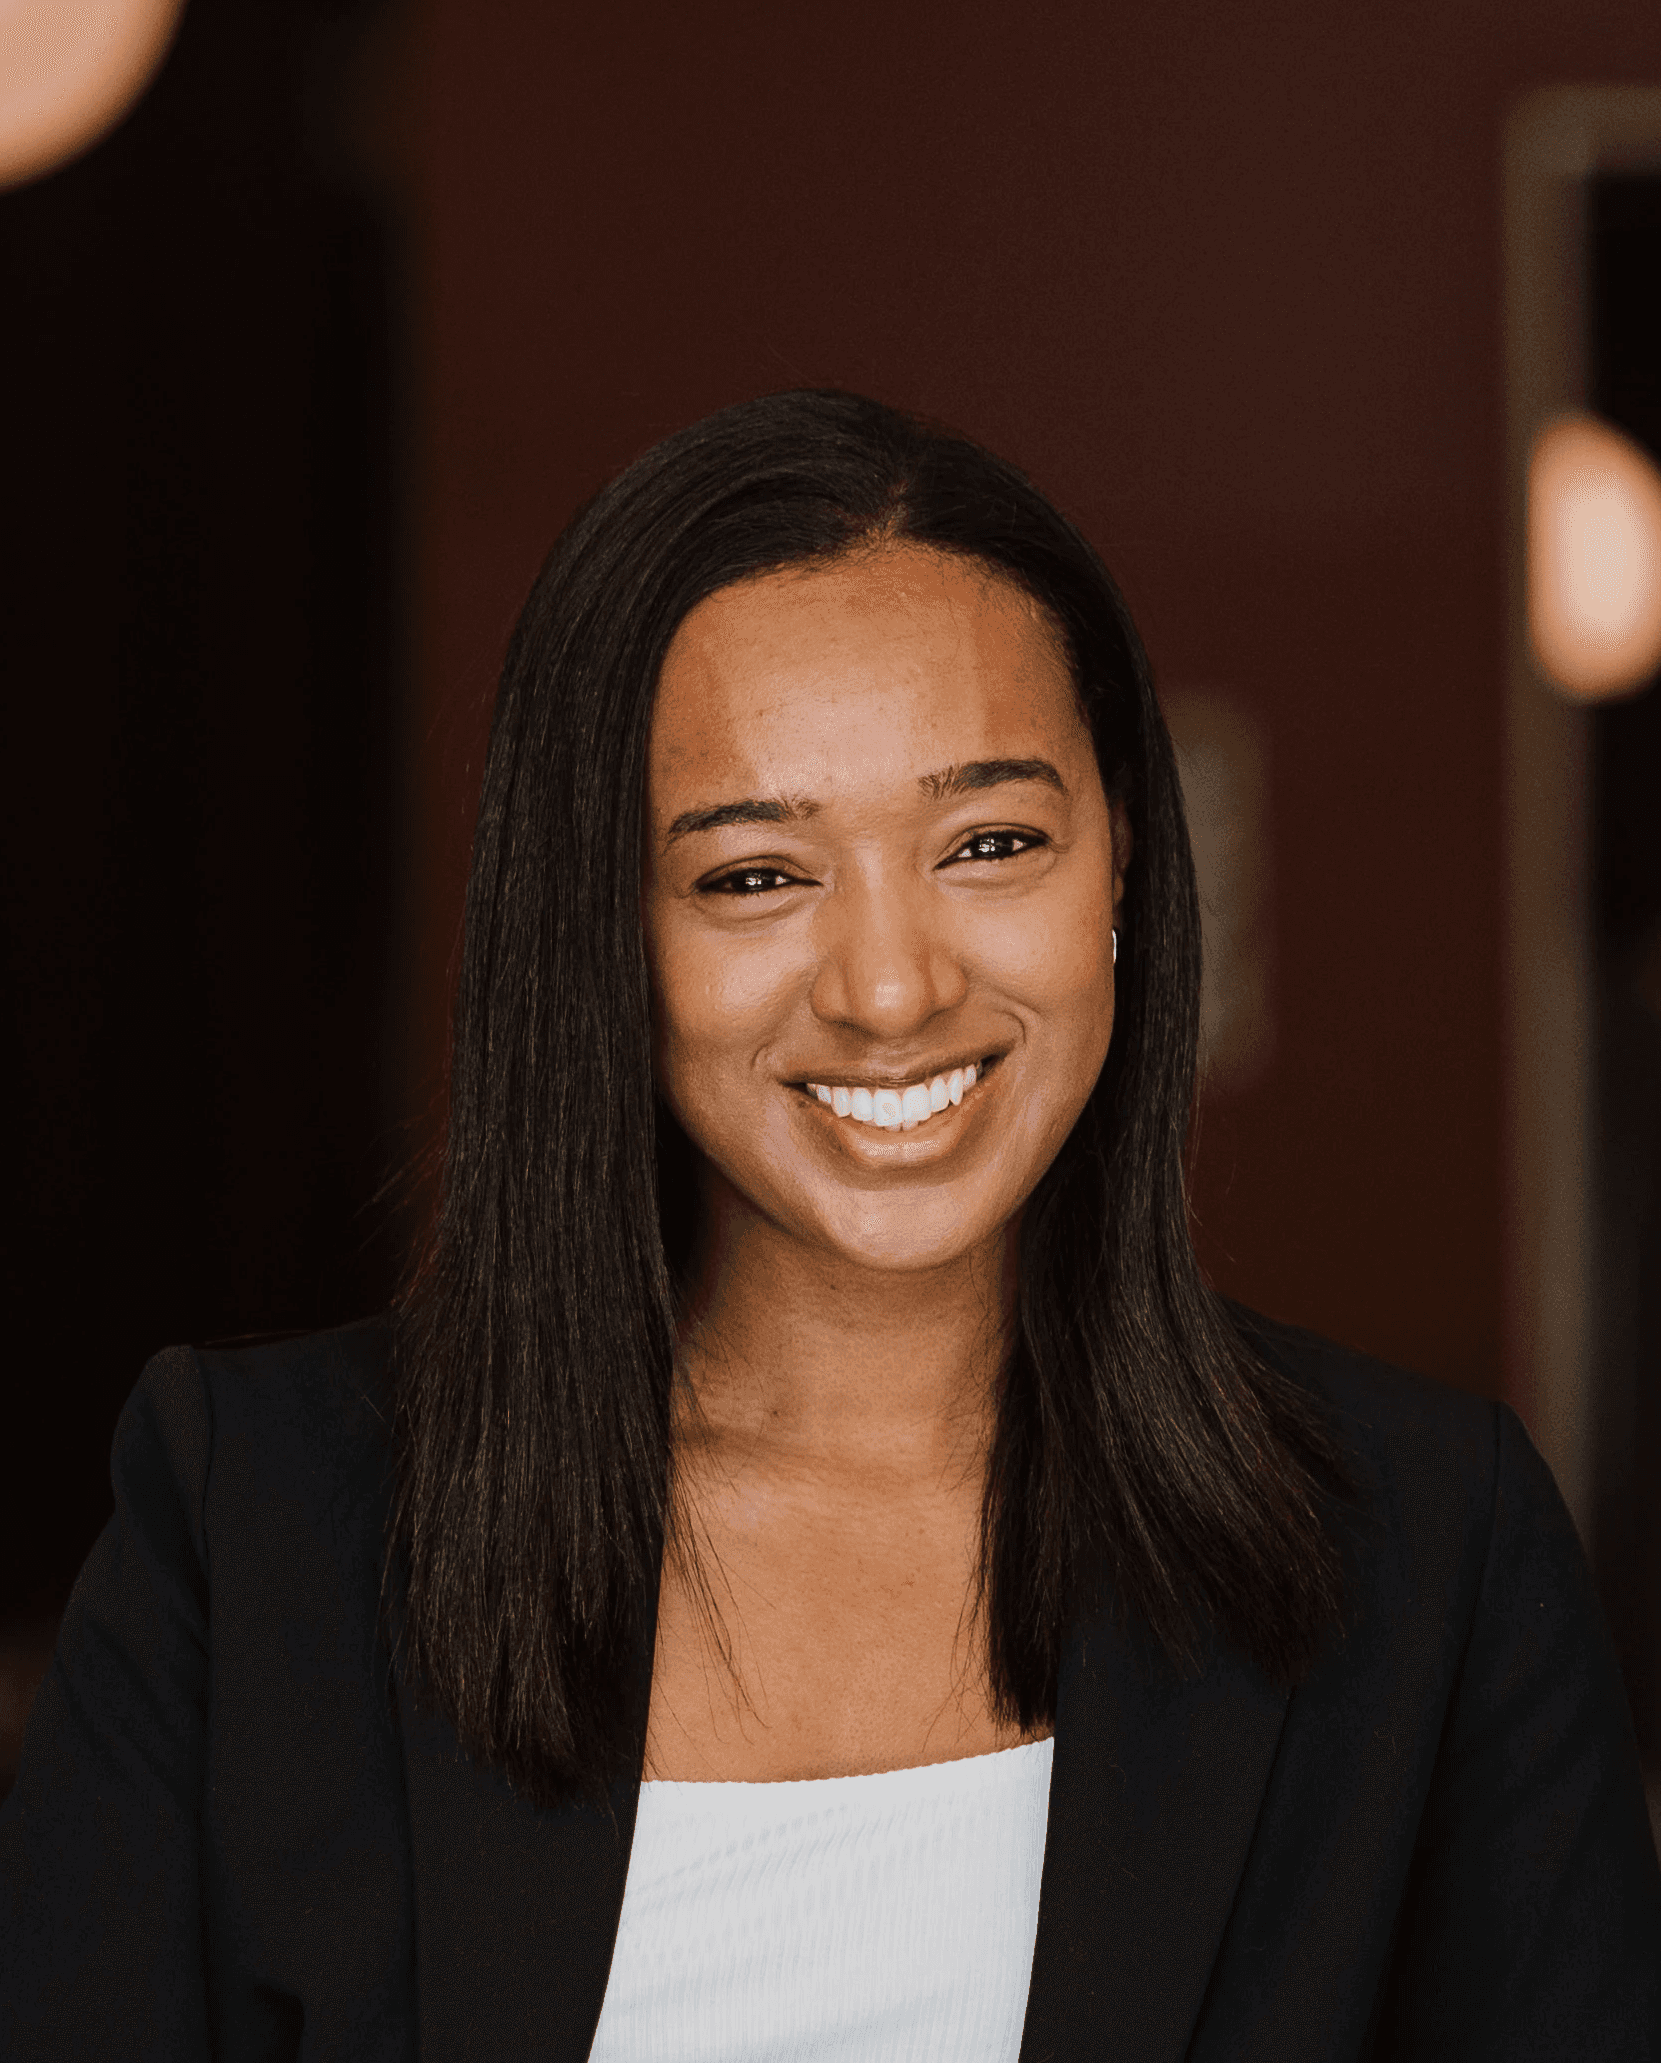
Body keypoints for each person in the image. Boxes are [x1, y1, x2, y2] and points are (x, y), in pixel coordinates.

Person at [2, 389, 1657, 2061]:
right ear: (603, 924)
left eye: (990, 842)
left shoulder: (1430, 1557)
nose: (890, 988)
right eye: (755, 874)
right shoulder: (258, 1529)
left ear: (1127, 867)